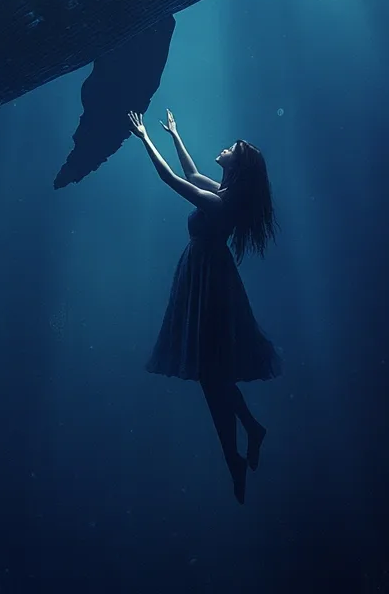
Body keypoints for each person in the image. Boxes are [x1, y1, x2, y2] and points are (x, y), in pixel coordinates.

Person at [127, 108, 281, 505]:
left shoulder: (222, 204)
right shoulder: (224, 196)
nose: (225, 148)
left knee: (210, 373)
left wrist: (145, 139)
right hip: (205, 278)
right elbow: (192, 174)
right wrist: (174, 134)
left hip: (209, 284)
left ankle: (239, 450)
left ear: (237, 166)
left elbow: (171, 180)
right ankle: (244, 439)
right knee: (211, 374)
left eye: (232, 149)